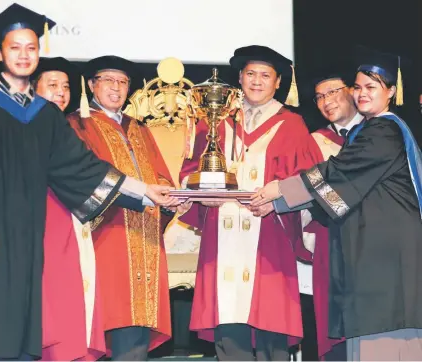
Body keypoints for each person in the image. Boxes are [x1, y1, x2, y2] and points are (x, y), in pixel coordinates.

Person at [0, 4, 177, 360]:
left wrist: (144, 191)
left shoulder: (45, 114)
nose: (23, 54)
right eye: (15, 47)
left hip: (34, 243)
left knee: (27, 341)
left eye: (31, 47)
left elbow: (85, 168)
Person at [251, 47, 422, 361]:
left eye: (371, 87)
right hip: (372, 260)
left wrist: (280, 190)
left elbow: (337, 173)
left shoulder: (385, 130)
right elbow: (339, 194)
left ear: (391, 90)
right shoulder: (369, 132)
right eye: (357, 87)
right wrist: (279, 206)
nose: (362, 94)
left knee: (389, 346)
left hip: (388, 263)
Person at [178, 45, 312, 361]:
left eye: (265, 75)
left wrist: (279, 199)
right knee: (230, 330)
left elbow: (311, 182)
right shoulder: (215, 120)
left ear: (278, 82)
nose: (256, 81)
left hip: (271, 241)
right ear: (240, 77)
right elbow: (189, 172)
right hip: (222, 241)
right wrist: (203, 196)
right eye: (250, 73)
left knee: (271, 331)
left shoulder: (292, 125)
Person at [66, 55, 174, 361]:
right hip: (104, 238)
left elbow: (160, 173)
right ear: (91, 84)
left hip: (146, 242)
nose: (116, 88)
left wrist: (172, 195)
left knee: (135, 332)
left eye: (123, 82)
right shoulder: (77, 125)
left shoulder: (139, 127)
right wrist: (140, 195)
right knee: (101, 323)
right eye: (108, 80)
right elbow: (80, 182)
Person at [31, 57, 106, 361]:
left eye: (65, 86)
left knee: (75, 302)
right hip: (43, 226)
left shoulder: (71, 128)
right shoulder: (22, 126)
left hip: (74, 225)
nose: (61, 92)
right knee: (51, 307)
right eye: (52, 85)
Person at [295, 61, 362, 361]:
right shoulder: (315, 142)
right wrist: (340, 210)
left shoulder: (380, 132)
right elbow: (312, 189)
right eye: (319, 96)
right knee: (335, 330)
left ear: (353, 92)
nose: (326, 101)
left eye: (332, 92)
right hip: (332, 240)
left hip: (375, 244)